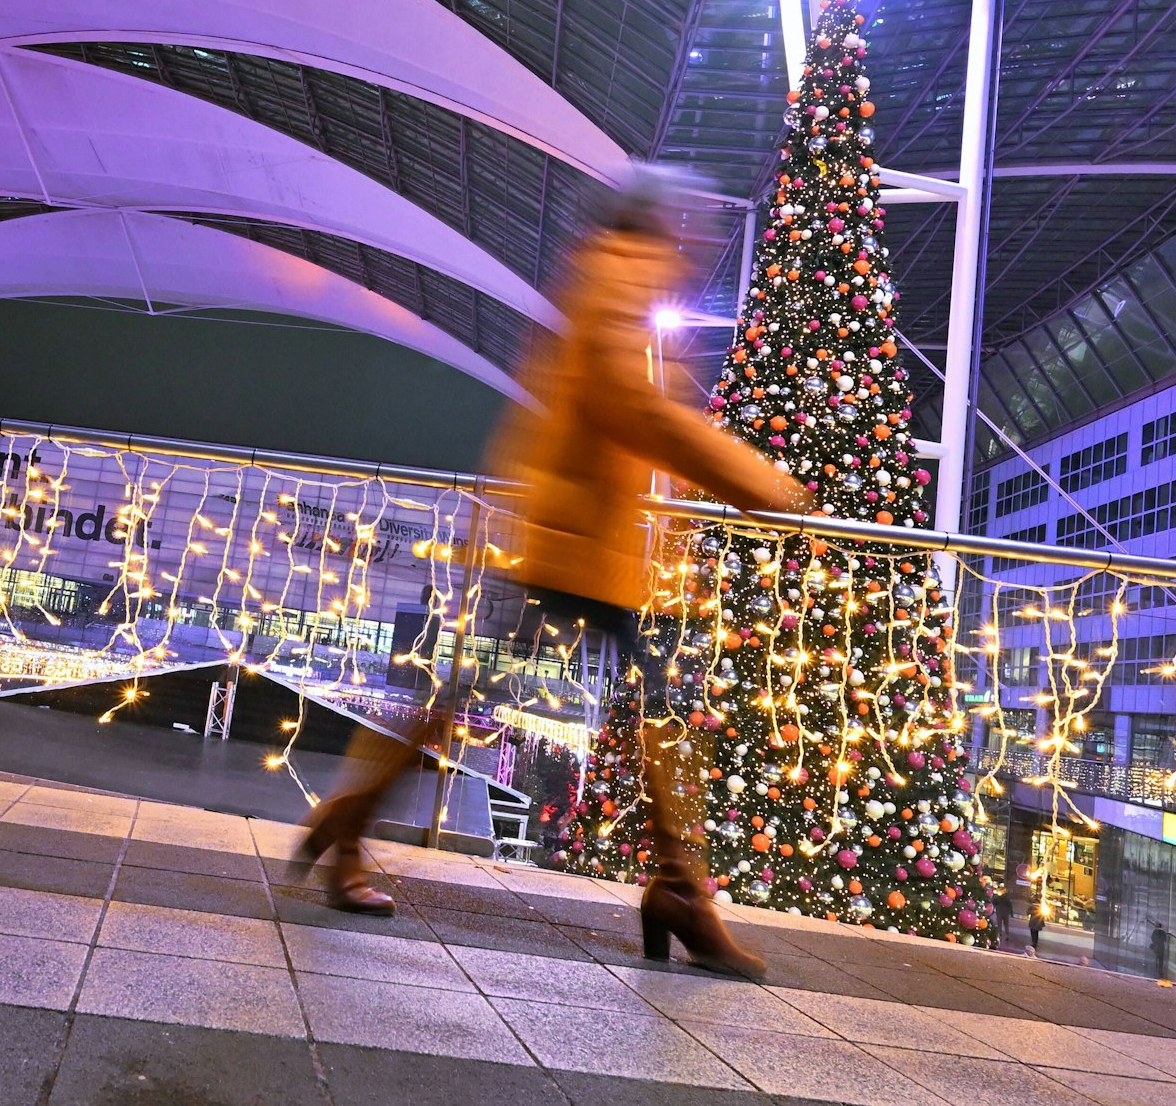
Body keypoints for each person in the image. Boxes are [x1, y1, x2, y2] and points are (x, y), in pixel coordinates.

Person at [293, 167, 807, 979]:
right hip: (569, 545)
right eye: (692, 225)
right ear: (659, 226)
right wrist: (754, 481)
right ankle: (351, 823)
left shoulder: (617, 282)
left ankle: (679, 889)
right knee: (591, 704)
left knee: (634, 705)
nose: (700, 239)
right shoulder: (618, 277)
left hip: (587, 544)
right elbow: (627, 409)